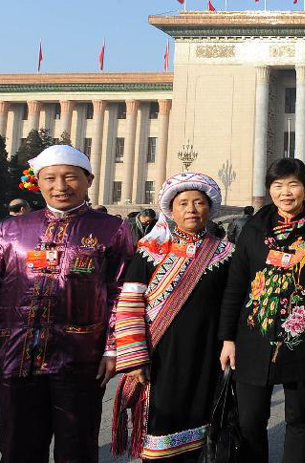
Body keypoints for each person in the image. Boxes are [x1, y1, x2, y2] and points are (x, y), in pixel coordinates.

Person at [0, 144, 133, 463]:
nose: (60, 186)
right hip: (16, 357)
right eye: (50, 178)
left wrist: (112, 348)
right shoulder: (10, 231)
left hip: (81, 359)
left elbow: (120, 293)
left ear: (89, 180)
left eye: (70, 177)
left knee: (77, 450)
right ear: (37, 182)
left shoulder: (111, 229)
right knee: (18, 449)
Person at [111, 172, 234, 461]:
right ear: (171, 209)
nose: (191, 209)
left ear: (210, 208)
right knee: (162, 426)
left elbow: (233, 303)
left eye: (199, 202)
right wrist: (133, 358)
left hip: (208, 354)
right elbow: (129, 305)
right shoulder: (149, 252)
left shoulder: (225, 253)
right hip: (161, 356)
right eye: (183, 203)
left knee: (205, 422)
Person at [218, 159, 305, 463]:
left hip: (301, 336)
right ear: (269, 189)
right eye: (278, 185)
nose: (286, 193)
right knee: (250, 419)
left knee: (300, 416)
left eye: (293, 185)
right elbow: (236, 286)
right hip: (253, 337)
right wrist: (227, 338)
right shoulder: (253, 229)